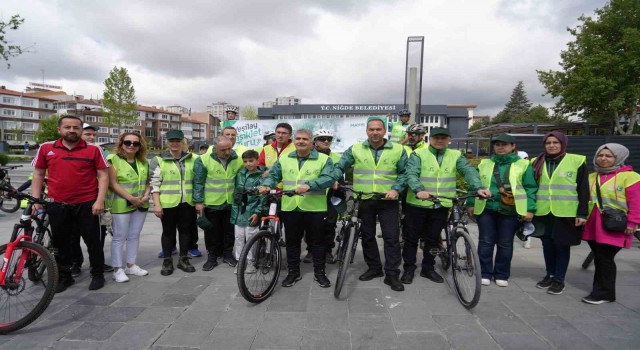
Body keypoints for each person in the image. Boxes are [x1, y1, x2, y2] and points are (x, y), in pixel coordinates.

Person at [402, 127, 491, 285]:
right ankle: (409, 269)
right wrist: (419, 189)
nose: (440, 140)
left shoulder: (456, 155)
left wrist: (478, 187)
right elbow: (411, 173)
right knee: (411, 239)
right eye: (436, 138)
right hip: (417, 203)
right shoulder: (419, 154)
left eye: (443, 138)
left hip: (441, 204)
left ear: (449, 140)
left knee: (433, 239)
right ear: (430, 139)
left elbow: (468, 171)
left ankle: (428, 268)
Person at [31, 115, 109, 292]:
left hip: (87, 204)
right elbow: (38, 174)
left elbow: (103, 176)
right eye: (67, 127)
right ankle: (64, 277)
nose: (72, 130)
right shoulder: (46, 148)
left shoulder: (93, 149)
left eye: (76, 127)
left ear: (81, 130)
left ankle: (97, 274)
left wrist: (99, 200)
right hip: (58, 204)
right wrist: (36, 200)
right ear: (60, 130)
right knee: (61, 243)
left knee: (93, 242)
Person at [335, 117, 408, 291]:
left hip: (387, 200)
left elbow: (405, 173)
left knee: (391, 238)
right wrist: (335, 178)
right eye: (371, 129)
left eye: (378, 129)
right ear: (367, 131)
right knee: (367, 236)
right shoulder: (355, 149)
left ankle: (392, 274)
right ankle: (374, 268)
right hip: (364, 199)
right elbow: (340, 166)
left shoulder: (398, 149)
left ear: (384, 131)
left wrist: (396, 189)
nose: (375, 132)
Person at [259, 129, 337, 288]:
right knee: (292, 242)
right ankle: (293, 272)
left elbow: (329, 178)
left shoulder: (324, 159)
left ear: (312, 142)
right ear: (294, 140)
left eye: (305, 139)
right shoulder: (284, 158)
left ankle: (319, 273)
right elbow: (274, 175)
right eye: (299, 138)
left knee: (318, 242)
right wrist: (266, 185)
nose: (301, 141)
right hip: (290, 207)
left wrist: (310, 186)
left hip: (315, 208)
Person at [467, 134, 537, 287]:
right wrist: (471, 203)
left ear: (513, 147)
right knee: (485, 242)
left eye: (505, 144)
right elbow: (475, 185)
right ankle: (484, 273)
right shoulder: (485, 163)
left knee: (505, 243)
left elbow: (530, 188)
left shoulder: (523, 164)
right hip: (486, 207)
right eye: (497, 144)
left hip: (511, 209)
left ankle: (502, 273)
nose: (500, 147)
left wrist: (530, 209)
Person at [531, 131, 589, 295]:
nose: (552, 145)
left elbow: (583, 190)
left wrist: (582, 213)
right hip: (543, 211)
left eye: (555, 142)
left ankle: (559, 279)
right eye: (548, 143)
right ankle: (549, 274)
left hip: (566, 212)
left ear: (563, 144)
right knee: (547, 245)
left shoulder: (576, 161)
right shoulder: (536, 162)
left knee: (561, 246)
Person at [581, 144, 640, 304]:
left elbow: (636, 202)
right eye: (601, 155)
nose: (603, 158)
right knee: (601, 257)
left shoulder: (630, 177)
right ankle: (602, 291)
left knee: (605, 257)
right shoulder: (592, 176)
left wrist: (633, 223)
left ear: (619, 158)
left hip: (615, 225)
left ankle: (604, 293)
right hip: (594, 224)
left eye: (609, 156)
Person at [150, 130, 198, 276]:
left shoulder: (194, 158)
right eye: (172, 141)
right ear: (167, 142)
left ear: (183, 142)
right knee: (168, 232)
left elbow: (198, 180)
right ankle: (167, 260)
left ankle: (183, 259)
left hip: (187, 202)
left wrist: (198, 201)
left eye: (178, 140)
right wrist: (157, 204)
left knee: (185, 231)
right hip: (168, 203)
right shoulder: (158, 160)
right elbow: (154, 184)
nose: (175, 143)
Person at [193, 136, 244, 270]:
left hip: (231, 202)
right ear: (215, 148)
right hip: (212, 203)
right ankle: (212, 256)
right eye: (223, 150)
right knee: (211, 232)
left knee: (229, 231)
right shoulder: (203, 160)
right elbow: (198, 182)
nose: (227, 152)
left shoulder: (237, 159)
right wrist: (198, 201)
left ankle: (228, 254)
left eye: (229, 148)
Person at [107, 132, 151, 283]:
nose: (131, 145)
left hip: (141, 203)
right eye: (128, 142)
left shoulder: (143, 162)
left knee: (134, 235)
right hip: (121, 204)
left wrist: (146, 195)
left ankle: (131, 265)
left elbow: (146, 182)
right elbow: (113, 183)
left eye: (135, 143)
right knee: (119, 237)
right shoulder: (113, 159)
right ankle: (117, 269)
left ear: (140, 146)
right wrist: (131, 198)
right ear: (121, 144)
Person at [71, 123, 114, 275]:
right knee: (73, 234)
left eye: (93, 135)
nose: (91, 137)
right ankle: (76, 263)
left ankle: (97, 263)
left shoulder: (100, 151)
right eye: (87, 134)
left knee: (98, 235)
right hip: (74, 200)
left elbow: (106, 174)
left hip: (96, 199)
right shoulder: (71, 150)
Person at [303, 129, 342, 264]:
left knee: (330, 224)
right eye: (322, 138)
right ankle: (310, 250)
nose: (326, 141)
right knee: (310, 224)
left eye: (329, 139)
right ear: (315, 142)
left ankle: (328, 251)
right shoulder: (308, 155)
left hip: (331, 195)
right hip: (312, 195)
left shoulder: (337, 157)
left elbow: (340, 172)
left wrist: (336, 180)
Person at [231, 150, 267, 274]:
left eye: (251, 161)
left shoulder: (262, 175)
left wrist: (258, 212)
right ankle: (240, 262)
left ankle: (251, 262)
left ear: (257, 161)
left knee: (251, 236)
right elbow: (237, 192)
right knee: (239, 237)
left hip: (253, 211)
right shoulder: (240, 174)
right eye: (245, 161)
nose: (248, 164)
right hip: (239, 211)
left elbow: (263, 197)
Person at [517, 150, 533, 249]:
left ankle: (527, 239)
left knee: (526, 221)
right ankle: (527, 240)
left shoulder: (527, 167)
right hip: (520, 200)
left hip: (522, 200)